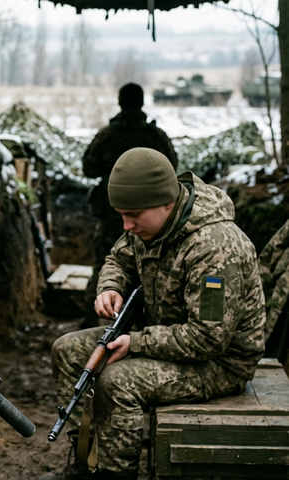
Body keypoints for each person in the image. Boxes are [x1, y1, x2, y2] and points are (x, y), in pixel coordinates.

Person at [50, 147, 265, 479]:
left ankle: (114, 473)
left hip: (219, 363)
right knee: (66, 351)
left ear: (168, 201)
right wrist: (110, 287)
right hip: (163, 335)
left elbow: (208, 339)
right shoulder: (152, 223)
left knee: (117, 382)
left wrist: (135, 343)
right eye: (121, 214)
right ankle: (88, 456)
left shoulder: (215, 249)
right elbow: (118, 259)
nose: (127, 225)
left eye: (133, 215)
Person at [81, 83, 178, 328]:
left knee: (105, 262)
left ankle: (94, 317)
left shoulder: (108, 135)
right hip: (149, 216)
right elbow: (171, 168)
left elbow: (88, 167)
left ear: (120, 102)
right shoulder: (156, 135)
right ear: (142, 102)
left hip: (111, 214)